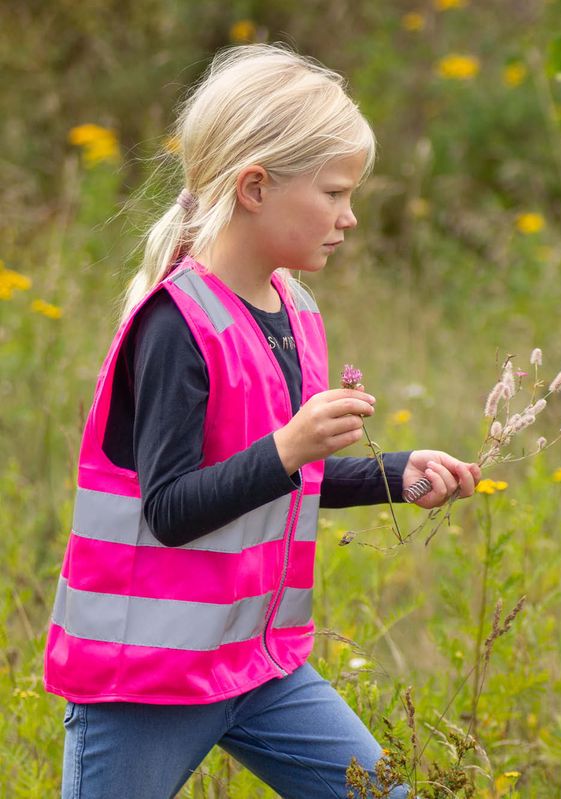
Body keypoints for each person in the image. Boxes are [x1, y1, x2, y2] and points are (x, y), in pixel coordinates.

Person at [44, 44, 481, 799]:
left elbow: (279, 477)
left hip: (258, 666)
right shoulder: (177, 324)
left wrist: (395, 473)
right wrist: (289, 445)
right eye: (335, 192)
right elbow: (171, 509)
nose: (349, 217)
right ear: (255, 187)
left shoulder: (295, 310)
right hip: (145, 681)